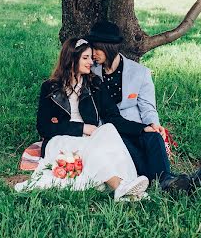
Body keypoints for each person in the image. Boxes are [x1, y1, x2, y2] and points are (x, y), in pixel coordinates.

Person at [15, 38, 151, 201]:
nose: (91, 62)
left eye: (91, 58)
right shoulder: (51, 87)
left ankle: (128, 184)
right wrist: (81, 128)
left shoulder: (94, 84)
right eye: (85, 58)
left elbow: (113, 117)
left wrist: (142, 128)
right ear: (72, 59)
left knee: (108, 130)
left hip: (88, 138)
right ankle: (120, 186)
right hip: (59, 141)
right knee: (90, 146)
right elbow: (44, 127)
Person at [87, 21, 201, 193]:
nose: (93, 54)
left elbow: (147, 106)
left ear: (109, 47)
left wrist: (153, 124)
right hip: (110, 127)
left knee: (153, 137)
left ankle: (169, 181)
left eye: (97, 49)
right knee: (126, 147)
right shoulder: (90, 71)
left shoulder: (139, 72)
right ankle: (178, 182)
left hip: (136, 125)